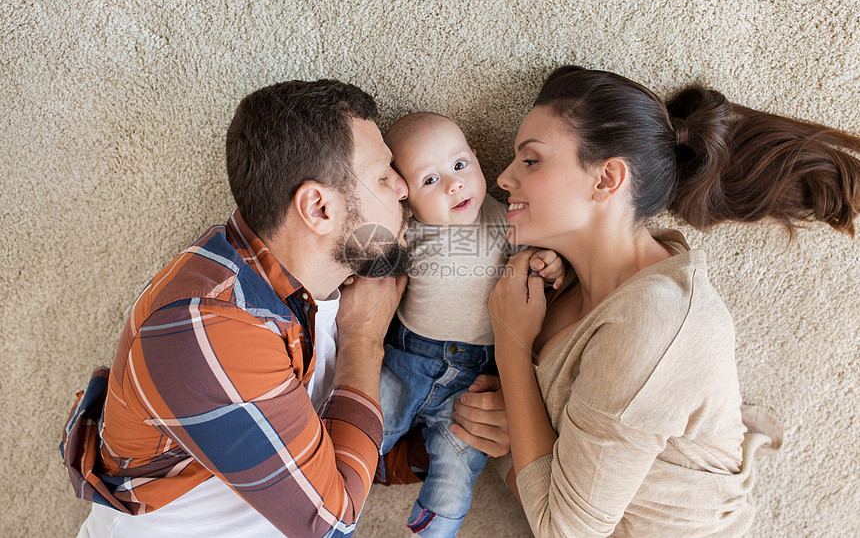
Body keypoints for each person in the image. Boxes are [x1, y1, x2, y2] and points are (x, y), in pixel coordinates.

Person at [451, 66, 860, 536]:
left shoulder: (655, 319)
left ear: (607, 179)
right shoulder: (566, 279)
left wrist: (511, 345)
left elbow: (562, 528)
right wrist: (528, 437)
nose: (503, 178)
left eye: (531, 160)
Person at [61, 79, 422, 538]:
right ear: (319, 207)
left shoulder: (319, 290)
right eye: (383, 175)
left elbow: (310, 456)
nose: (404, 187)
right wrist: (364, 341)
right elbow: (329, 520)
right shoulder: (209, 325)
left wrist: (435, 447)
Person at [375, 113, 563, 537]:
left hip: (474, 380)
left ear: (477, 160)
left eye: (460, 166)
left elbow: (539, 252)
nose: (453, 184)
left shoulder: (506, 220)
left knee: (458, 468)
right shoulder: (408, 232)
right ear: (405, 199)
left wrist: (548, 263)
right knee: (364, 433)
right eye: (430, 181)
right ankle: (330, 497)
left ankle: (434, 528)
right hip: (405, 362)